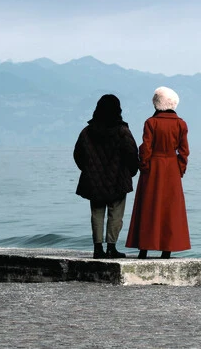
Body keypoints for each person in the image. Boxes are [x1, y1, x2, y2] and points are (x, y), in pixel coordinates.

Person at [126, 86, 191, 259]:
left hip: (153, 167)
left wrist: (144, 166)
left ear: (156, 104)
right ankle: (166, 250)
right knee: (170, 208)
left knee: (148, 206)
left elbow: (146, 148)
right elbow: (184, 151)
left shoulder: (151, 123)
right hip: (171, 168)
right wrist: (180, 169)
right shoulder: (180, 124)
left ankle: (144, 249)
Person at [74, 94, 139, 259]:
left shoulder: (87, 131)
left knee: (97, 213)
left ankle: (97, 249)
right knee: (115, 213)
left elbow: (78, 155)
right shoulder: (123, 131)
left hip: (94, 181)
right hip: (118, 180)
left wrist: (89, 170)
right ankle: (111, 248)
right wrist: (130, 172)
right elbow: (132, 153)